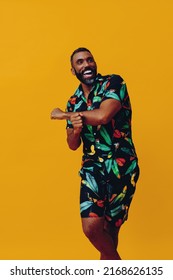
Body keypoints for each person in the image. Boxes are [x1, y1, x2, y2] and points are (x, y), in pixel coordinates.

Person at [51, 47, 139, 260]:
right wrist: (76, 129)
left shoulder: (113, 83)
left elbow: (103, 115)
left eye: (89, 60)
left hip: (121, 166)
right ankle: (119, 268)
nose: (86, 65)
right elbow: (72, 144)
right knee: (91, 228)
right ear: (73, 70)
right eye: (80, 62)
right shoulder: (74, 101)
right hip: (92, 168)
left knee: (110, 231)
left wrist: (65, 115)